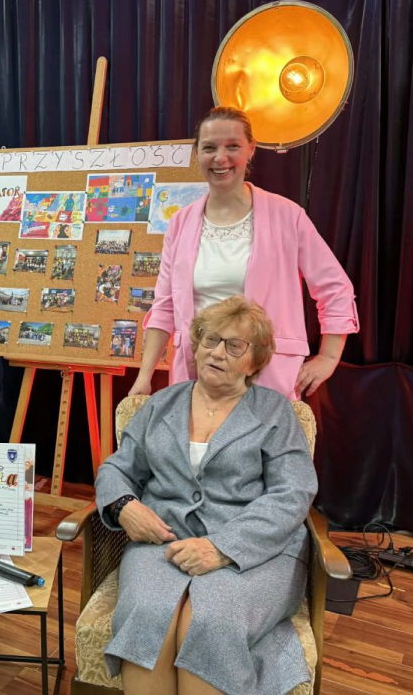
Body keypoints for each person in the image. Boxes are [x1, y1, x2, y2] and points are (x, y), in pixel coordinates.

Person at [97, 296, 317, 694]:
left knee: (212, 621)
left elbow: (293, 492)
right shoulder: (160, 404)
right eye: (211, 339)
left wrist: (222, 547)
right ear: (196, 345)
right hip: (163, 541)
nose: (217, 352)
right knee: (148, 613)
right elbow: (118, 468)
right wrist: (124, 505)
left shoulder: (275, 412)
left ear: (254, 361)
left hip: (254, 550)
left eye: (234, 346)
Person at [130, 106, 358, 400]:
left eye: (232, 146)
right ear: (197, 153)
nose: (220, 157)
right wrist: (144, 376)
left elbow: (335, 288)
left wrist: (328, 357)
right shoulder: (180, 223)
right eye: (209, 148)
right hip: (198, 377)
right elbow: (164, 307)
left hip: (266, 376)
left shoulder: (287, 216)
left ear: (251, 149)